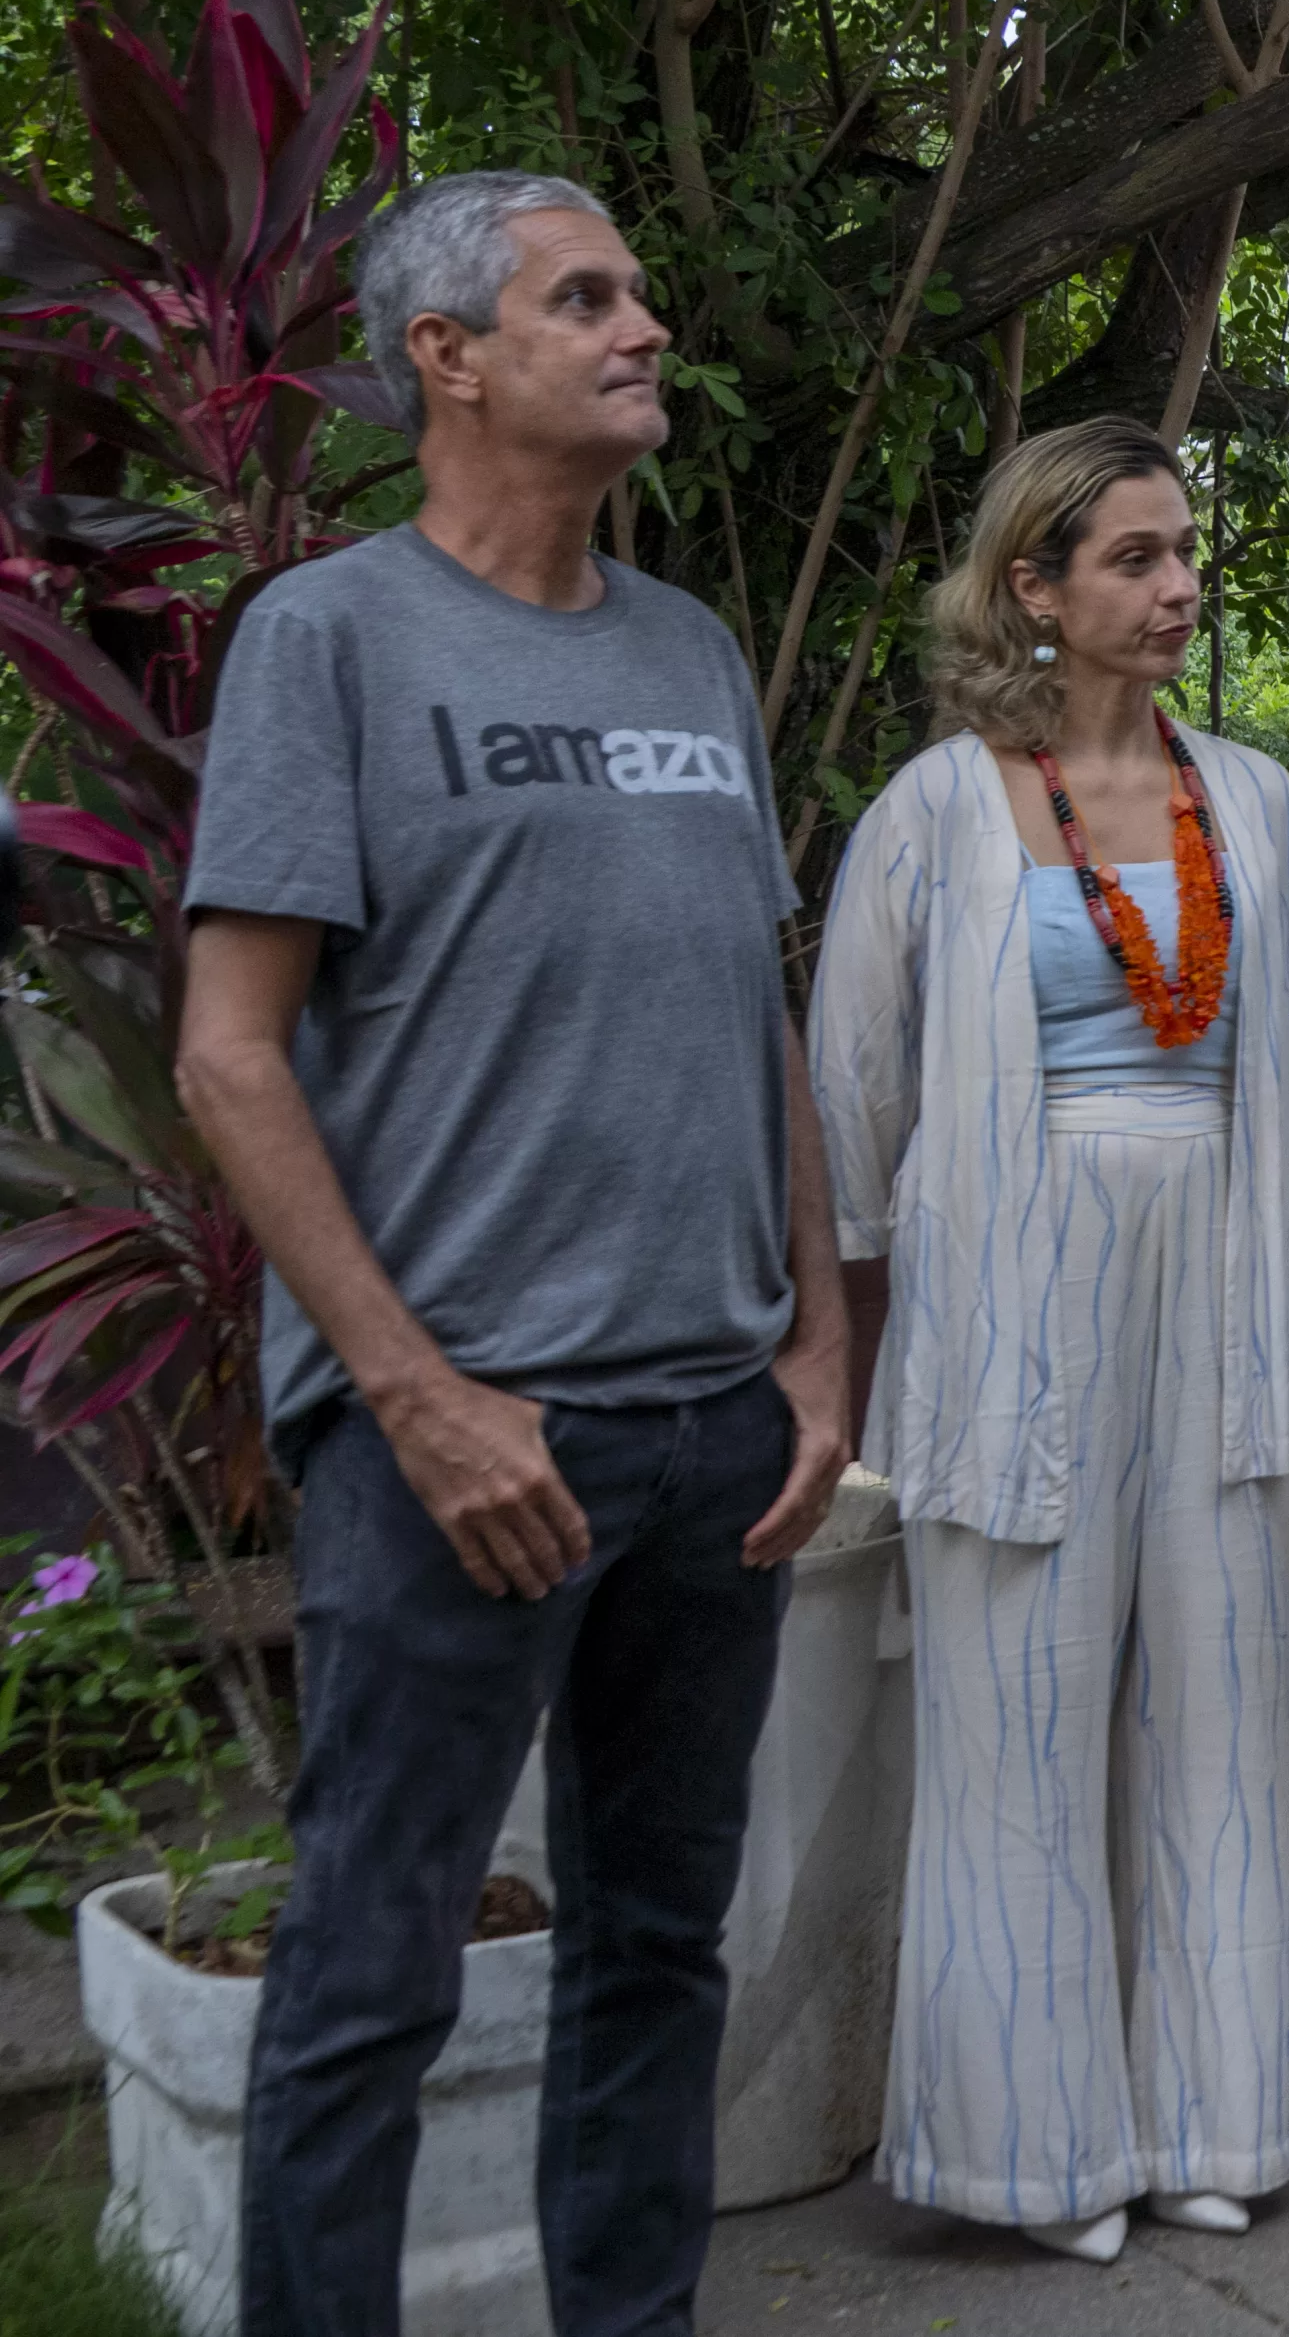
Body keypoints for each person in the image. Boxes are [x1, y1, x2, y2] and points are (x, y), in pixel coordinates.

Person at [178, 171, 851, 2336]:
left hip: (710, 1431)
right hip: (463, 1444)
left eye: (641, 290)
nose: (645, 326)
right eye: (589, 298)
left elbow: (751, 1018)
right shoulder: (333, 640)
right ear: (449, 355)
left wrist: (818, 1355)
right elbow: (229, 1057)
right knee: (372, 1979)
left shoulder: (686, 651)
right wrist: (415, 1394)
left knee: (658, 1952)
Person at [811, 419, 1289, 2262]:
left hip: (1221, 1278)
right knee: (1014, 1713)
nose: (1178, 584)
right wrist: (896, 1306)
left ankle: (1213, 2114)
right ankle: (1038, 2156)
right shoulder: (941, 808)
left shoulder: (1257, 800)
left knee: (1221, 1701)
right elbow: (853, 1092)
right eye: (1133, 557)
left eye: (1185, 551)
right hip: (1014, 1293)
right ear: (1033, 584)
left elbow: (1286, 1067)